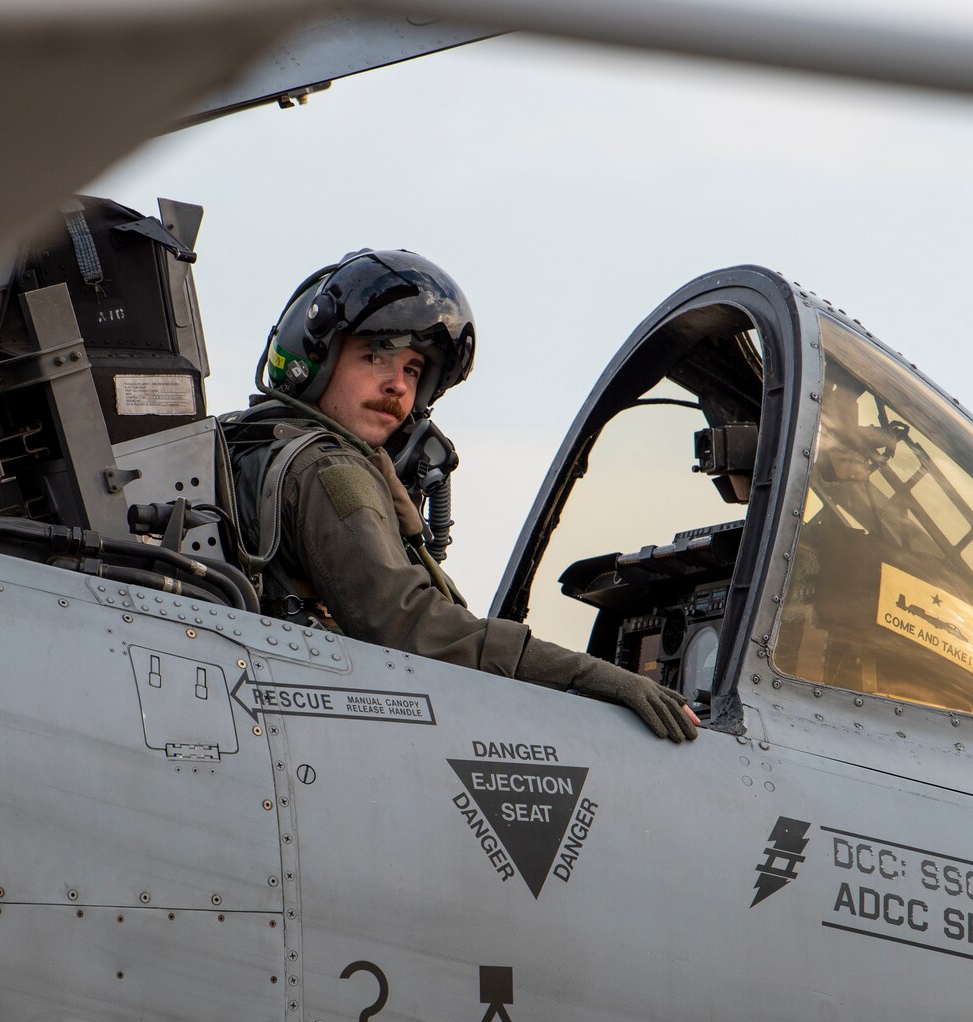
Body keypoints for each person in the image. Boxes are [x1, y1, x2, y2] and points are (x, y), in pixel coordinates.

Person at [221, 249, 697, 743]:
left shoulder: (248, 445)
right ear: (314, 361)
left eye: (411, 369)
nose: (396, 386)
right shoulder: (330, 468)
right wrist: (591, 676)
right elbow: (407, 624)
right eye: (374, 356)